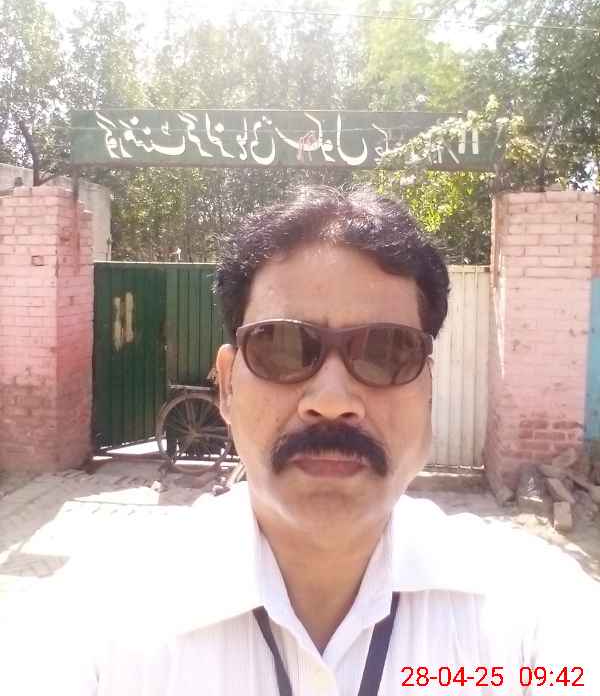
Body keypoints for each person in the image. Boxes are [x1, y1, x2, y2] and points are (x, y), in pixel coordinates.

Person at [2, 186, 598, 695]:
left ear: (428, 389)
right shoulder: (98, 614)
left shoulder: (532, 610)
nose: (332, 399)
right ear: (227, 386)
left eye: (386, 352)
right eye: (283, 348)